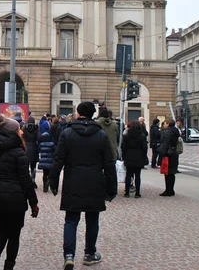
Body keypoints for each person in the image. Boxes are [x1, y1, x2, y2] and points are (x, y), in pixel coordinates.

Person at [49, 102, 116, 268]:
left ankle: (69, 255)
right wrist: (112, 187)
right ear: (93, 115)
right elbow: (109, 164)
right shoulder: (101, 135)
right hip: (95, 182)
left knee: (71, 220)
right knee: (92, 219)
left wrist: (53, 180)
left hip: (73, 181)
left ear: (78, 113)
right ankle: (89, 253)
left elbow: (58, 159)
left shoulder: (67, 133)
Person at [0, 115, 39, 270]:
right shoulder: (18, 152)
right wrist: (33, 203)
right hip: (15, 199)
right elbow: (26, 181)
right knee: (14, 234)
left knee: (3, 231)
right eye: (18, 129)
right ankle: (8, 266)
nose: (21, 131)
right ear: (13, 132)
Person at [121, 121, 148, 198]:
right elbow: (144, 147)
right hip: (139, 156)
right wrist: (144, 155)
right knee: (138, 175)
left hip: (129, 155)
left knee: (128, 175)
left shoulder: (126, 135)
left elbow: (123, 147)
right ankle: (137, 192)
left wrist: (124, 156)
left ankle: (127, 192)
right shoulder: (142, 136)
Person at [158, 118, 180, 197]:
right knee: (172, 173)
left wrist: (161, 154)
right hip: (174, 153)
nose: (164, 125)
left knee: (167, 173)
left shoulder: (168, 133)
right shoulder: (175, 131)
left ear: (167, 124)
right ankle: (171, 190)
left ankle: (168, 190)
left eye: (165, 124)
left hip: (168, 154)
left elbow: (165, 144)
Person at [38, 119, 56, 193]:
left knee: (44, 174)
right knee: (50, 173)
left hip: (43, 161)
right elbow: (55, 150)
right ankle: (49, 180)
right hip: (50, 161)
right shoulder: (52, 144)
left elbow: (38, 150)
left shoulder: (41, 145)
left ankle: (45, 185)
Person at [22, 116, 40, 188]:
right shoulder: (36, 128)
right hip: (34, 148)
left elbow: (22, 138)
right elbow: (39, 137)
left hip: (26, 148)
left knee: (25, 166)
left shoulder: (24, 128)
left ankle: (26, 181)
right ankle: (33, 180)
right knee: (33, 166)